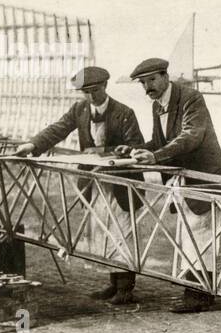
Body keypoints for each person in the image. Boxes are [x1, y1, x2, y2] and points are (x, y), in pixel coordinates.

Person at [12, 65, 144, 304]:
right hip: (93, 182)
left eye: (94, 90)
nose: (91, 97)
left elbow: (137, 145)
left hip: (119, 183)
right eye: (86, 92)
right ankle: (113, 282)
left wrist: (120, 151)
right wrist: (32, 145)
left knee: (121, 230)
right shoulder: (80, 109)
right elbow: (58, 129)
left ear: (105, 86)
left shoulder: (125, 112)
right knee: (101, 231)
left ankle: (126, 287)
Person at [120, 57, 221, 313]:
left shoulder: (191, 98)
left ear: (165, 76)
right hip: (182, 177)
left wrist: (156, 156)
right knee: (188, 234)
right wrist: (137, 149)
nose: (147, 87)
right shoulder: (158, 105)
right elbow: (161, 140)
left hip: (205, 176)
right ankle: (193, 290)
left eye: (151, 80)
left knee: (200, 233)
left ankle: (200, 296)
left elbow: (191, 136)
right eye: (143, 83)